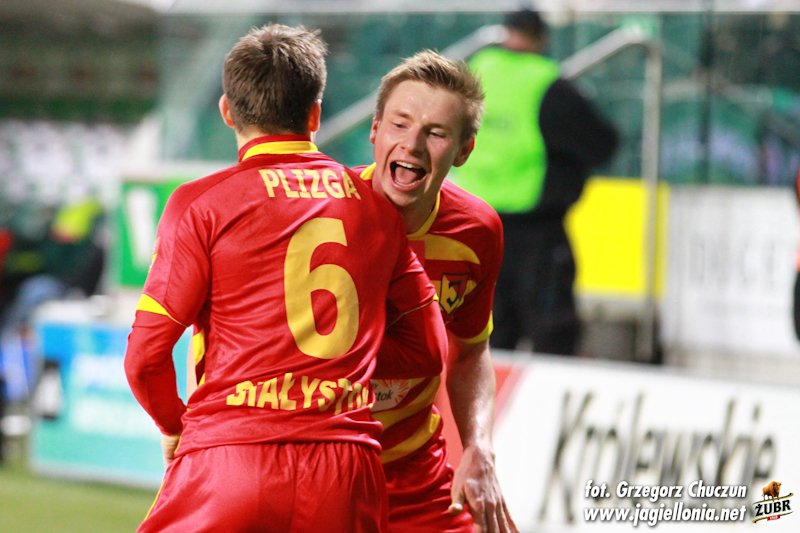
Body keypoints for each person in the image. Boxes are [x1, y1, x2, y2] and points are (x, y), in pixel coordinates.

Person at [124, 24, 448, 533]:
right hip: (346, 472)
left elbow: (145, 359)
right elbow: (430, 350)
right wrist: (327, 368)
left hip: (231, 456)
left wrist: (173, 424)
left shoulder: (200, 204)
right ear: (315, 114)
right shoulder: (376, 210)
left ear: (227, 111)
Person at [354, 50, 517, 533]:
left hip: (414, 473)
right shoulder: (320, 212)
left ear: (464, 151)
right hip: (321, 464)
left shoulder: (478, 231)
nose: (412, 145)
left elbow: (470, 353)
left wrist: (479, 446)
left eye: (436, 132)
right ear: (375, 130)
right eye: (400, 124)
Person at [453, 8, 618, 355]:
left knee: (487, 332)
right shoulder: (546, 83)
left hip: (474, 225)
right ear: (542, 39)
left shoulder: (472, 73)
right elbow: (602, 144)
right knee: (551, 328)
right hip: (534, 227)